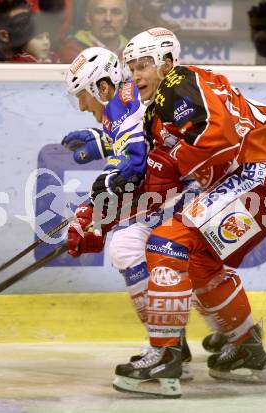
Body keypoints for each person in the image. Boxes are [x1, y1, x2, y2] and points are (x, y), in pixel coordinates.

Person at [110, 27, 266, 398]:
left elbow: (214, 133)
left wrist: (172, 162)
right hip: (265, 181)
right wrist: (124, 193)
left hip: (259, 172)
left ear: (166, 62)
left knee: (167, 244)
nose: (137, 75)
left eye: (145, 65)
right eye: (132, 67)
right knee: (198, 263)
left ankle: (165, 354)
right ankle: (246, 349)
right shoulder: (158, 114)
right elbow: (162, 182)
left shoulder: (180, 82)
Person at [62, 46, 200, 380]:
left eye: (83, 95)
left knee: (139, 249)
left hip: (189, 191)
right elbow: (133, 155)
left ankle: (169, 347)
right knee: (126, 246)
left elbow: (130, 169)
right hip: (172, 190)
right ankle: (170, 343)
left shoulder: (126, 106)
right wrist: (102, 140)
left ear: (103, 88)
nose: (82, 106)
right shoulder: (124, 103)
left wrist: (91, 212)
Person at [58, 0, 129, 63]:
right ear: (88, 18)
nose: (108, 18)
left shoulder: (133, 51)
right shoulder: (72, 51)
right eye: (100, 12)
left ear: (125, 19)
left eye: (115, 12)